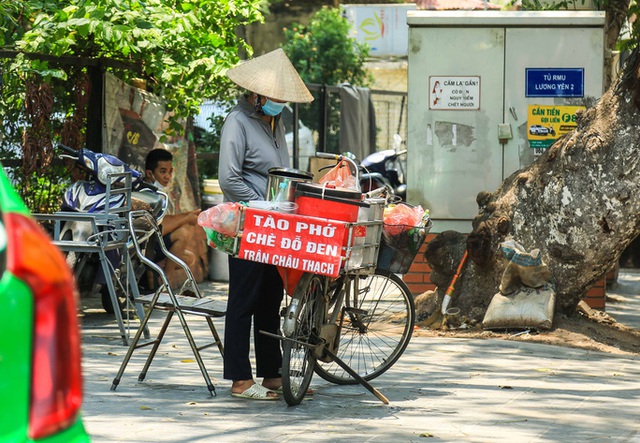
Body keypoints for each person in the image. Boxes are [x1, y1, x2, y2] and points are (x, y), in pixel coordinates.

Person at [219, 48, 313, 400]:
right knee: (243, 299)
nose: (279, 103)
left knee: (270, 298)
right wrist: (261, 204)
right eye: (274, 97)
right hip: (246, 223)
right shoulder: (237, 122)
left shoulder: (276, 123)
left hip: (274, 225)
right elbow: (229, 178)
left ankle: (272, 374)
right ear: (256, 95)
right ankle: (240, 380)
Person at [144, 148, 208, 288]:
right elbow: (159, 228)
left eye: (170, 171)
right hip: (144, 246)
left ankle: (158, 274)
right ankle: (167, 281)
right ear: (150, 173)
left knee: (189, 257)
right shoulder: (147, 194)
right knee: (182, 234)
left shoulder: (159, 193)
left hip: (154, 244)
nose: (167, 176)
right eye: (162, 171)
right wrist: (186, 219)